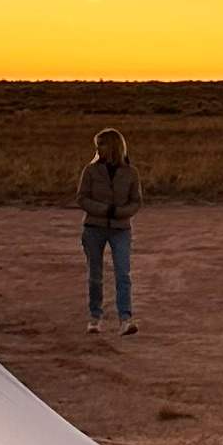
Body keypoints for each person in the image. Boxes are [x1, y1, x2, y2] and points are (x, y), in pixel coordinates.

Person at [79, 125, 140, 332]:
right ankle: (95, 317)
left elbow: (136, 201)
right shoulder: (90, 171)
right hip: (94, 228)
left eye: (101, 145)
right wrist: (105, 210)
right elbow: (82, 198)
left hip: (120, 228)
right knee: (95, 275)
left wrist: (119, 213)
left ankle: (125, 319)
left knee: (123, 274)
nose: (98, 149)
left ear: (113, 147)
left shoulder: (131, 173)